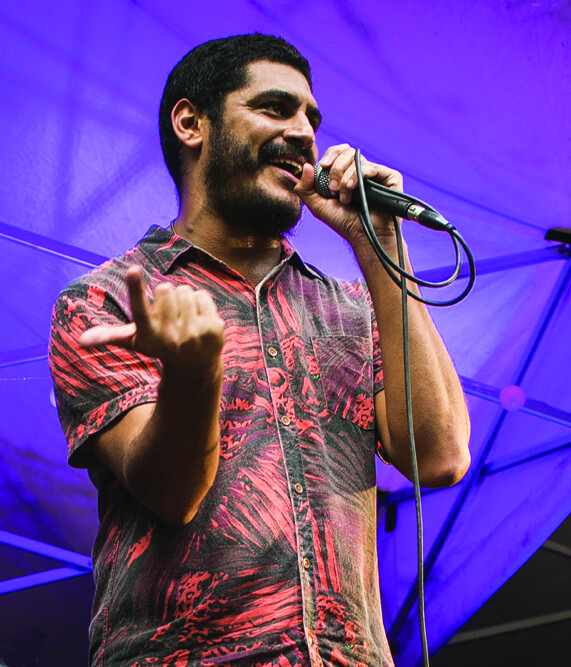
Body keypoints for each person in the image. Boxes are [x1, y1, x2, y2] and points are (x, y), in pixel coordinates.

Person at [49, 33, 470, 667]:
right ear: (192, 123)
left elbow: (439, 456)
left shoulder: (355, 307)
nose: (305, 132)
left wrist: (378, 239)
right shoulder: (105, 301)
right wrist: (191, 377)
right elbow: (170, 491)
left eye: (311, 118)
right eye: (276, 108)